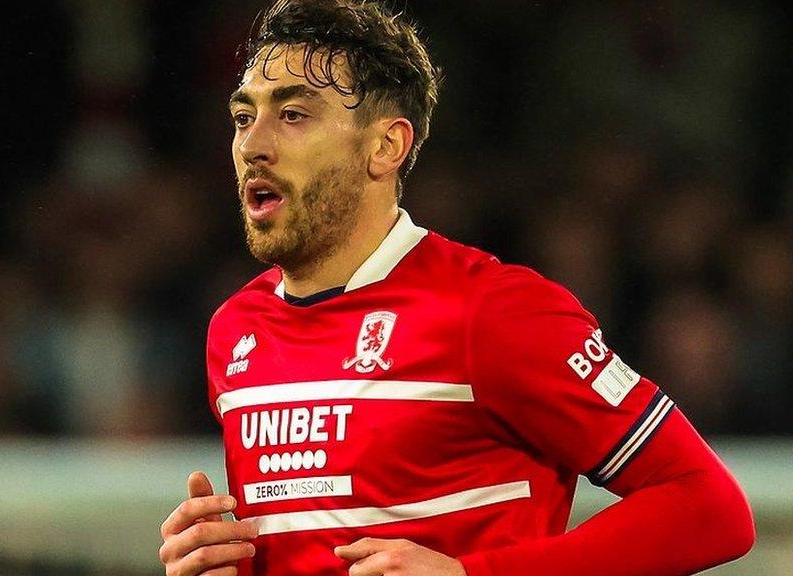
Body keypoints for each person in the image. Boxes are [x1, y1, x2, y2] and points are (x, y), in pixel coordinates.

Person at [158, 1, 755, 575]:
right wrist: (223, 563)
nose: (253, 146)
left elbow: (709, 508)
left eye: (293, 114)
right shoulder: (234, 330)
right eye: (243, 116)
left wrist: (476, 575)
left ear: (386, 146)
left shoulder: (493, 310)